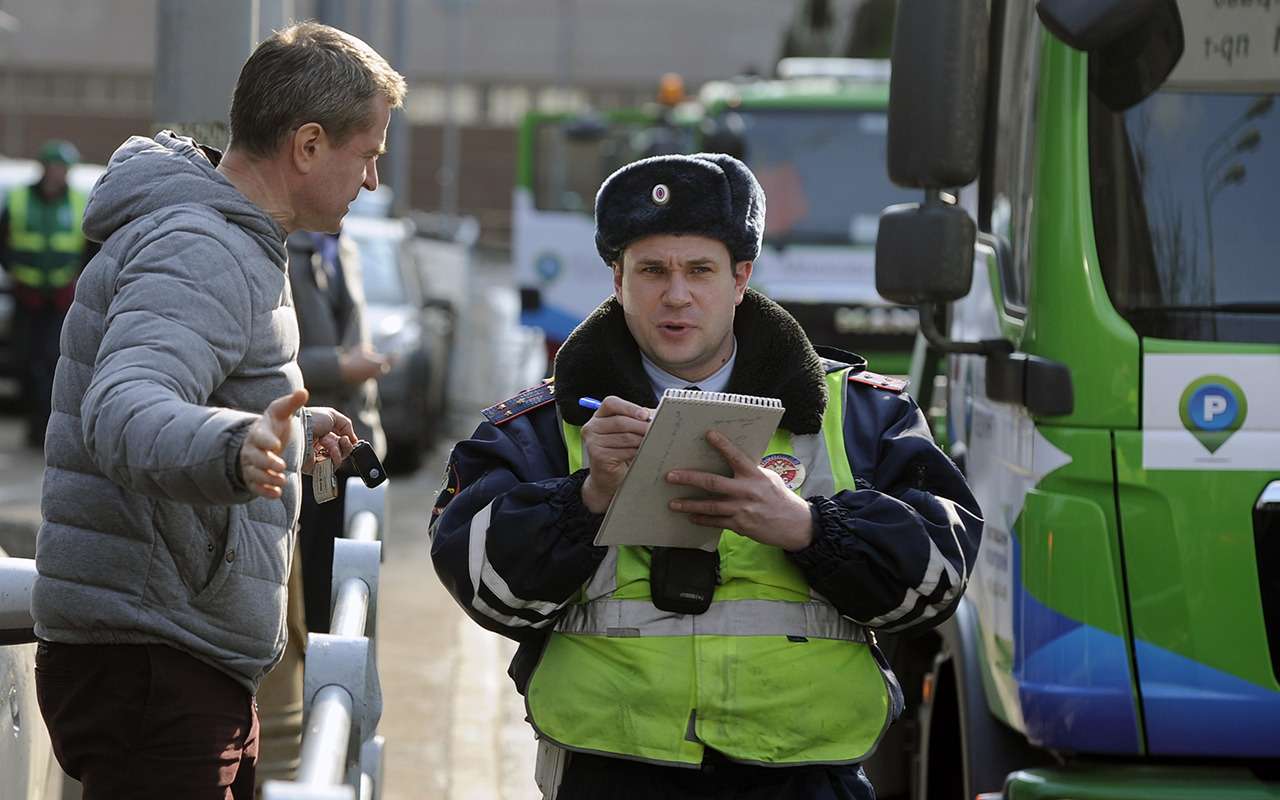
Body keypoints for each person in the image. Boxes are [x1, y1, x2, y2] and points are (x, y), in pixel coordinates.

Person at [430, 153, 983, 799]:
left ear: (741, 276)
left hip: (806, 772)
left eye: (700, 270)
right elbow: (481, 588)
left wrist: (808, 528)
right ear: (617, 278)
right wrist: (587, 500)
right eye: (653, 270)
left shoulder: (865, 411)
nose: (677, 295)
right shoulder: (533, 426)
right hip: (611, 768)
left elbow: (940, 579)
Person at [30, 22, 405, 800]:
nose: (371, 180)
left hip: (171, 652)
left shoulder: (228, 240)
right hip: (156, 661)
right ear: (307, 145)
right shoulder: (202, 246)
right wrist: (239, 447)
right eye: (367, 154)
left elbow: (185, 392)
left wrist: (284, 432)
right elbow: (124, 408)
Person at [253, 230, 390, 784]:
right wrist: (340, 365)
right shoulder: (275, 243)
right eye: (363, 158)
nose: (368, 183)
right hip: (296, 452)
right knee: (310, 588)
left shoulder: (345, 246)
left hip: (339, 451)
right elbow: (273, 360)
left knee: (338, 586)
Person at [0, 139, 97, 447]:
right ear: (43, 169)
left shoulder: (80, 201)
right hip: (26, 296)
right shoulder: (18, 199)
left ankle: (45, 426)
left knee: (53, 361)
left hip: (61, 299)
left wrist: (75, 282)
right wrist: (16, 274)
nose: (58, 174)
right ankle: (33, 423)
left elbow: (90, 249)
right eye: (54, 168)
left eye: (63, 169)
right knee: (26, 361)